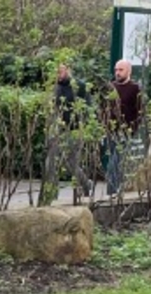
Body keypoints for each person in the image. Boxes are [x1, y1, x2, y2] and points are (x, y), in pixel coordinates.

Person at [50, 63, 96, 202]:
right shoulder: (55, 87)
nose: (58, 74)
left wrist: (83, 124)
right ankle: (52, 194)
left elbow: (88, 106)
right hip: (58, 129)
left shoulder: (79, 86)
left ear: (68, 70)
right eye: (56, 72)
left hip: (75, 129)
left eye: (60, 71)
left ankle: (86, 184)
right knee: (51, 160)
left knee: (70, 163)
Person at [102, 59, 145, 198]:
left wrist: (132, 129)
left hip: (125, 131)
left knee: (115, 163)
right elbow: (104, 108)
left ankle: (112, 192)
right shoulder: (111, 87)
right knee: (115, 162)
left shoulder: (135, 88)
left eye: (121, 70)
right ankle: (117, 190)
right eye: (116, 70)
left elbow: (140, 112)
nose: (117, 73)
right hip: (111, 130)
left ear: (128, 71)